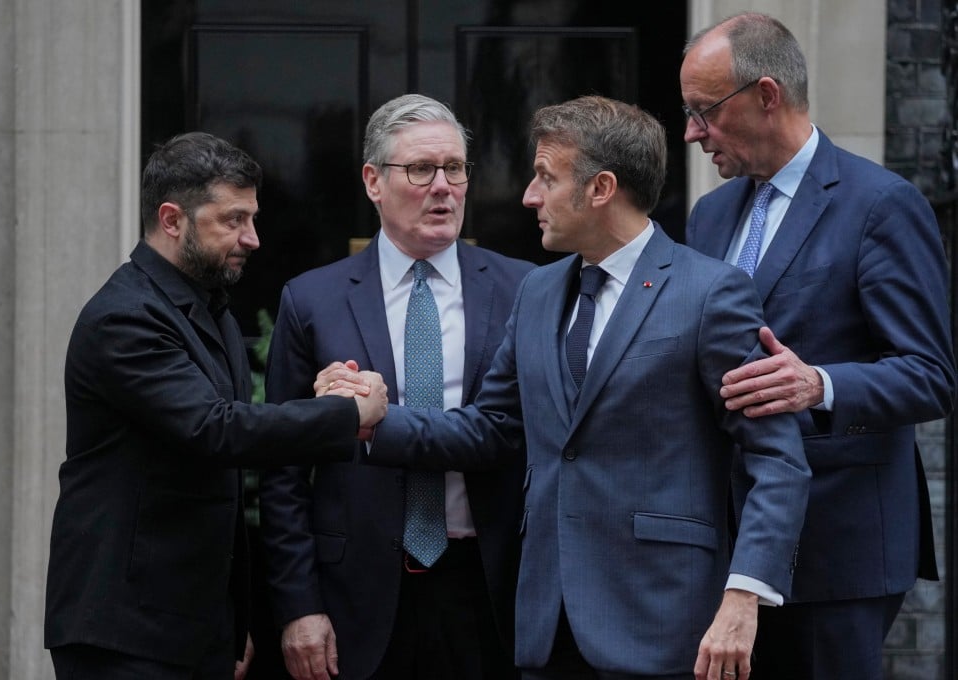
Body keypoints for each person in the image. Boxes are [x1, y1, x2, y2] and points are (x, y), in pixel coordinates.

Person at [326, 95, 811, 679]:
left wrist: (743, 597)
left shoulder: (711, 294)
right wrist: (375, 418)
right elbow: (493, 426)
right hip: (544, 624)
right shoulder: (537, 292)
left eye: (545, 178)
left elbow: (777, 462)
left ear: (600, 188)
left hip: (666, 623)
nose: (529, 196)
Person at [43, 131, 388, 680]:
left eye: (252, 218)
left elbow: (221, 459)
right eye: (232, 220)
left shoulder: (209, 310)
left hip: (188, 626)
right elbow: (216, 430)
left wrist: (229, 621)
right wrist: (348, 414)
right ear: (172, 219)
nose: (252, 238)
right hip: (124, 634)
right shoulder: (125, 317)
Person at [680, 13, 956, 680]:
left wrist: (821, 386)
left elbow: (931, 375)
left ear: (766, 95)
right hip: (725, 544)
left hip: (838, 546)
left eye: (704, 111)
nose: (692, 132)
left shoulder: (881, 205)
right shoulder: (710, 214)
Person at [258, 94, 534, 680]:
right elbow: (282, 473)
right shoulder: (312, 300)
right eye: (420, 170)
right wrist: (298, 605)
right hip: (354, 594)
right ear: (373, 182)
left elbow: (524, 434)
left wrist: (370, 419)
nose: (443, 187)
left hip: (489, 589)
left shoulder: (524, 291)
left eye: (455, 168)